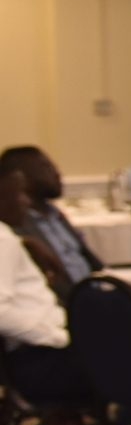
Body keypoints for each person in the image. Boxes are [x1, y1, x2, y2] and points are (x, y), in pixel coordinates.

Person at [0, 167, 87, 406]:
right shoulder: (3, 239)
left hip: (30, 361)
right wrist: (57, 337)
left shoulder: (8, 238)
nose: (27, 202)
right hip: (40, 361)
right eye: (19, 194)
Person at [0, 145, 102, 284]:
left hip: (95, 289)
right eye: (46, 167)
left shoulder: (55, 214)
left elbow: (88, 259)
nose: (57, 173)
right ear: (22, 176)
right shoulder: (16, 223)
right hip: (65, 300)